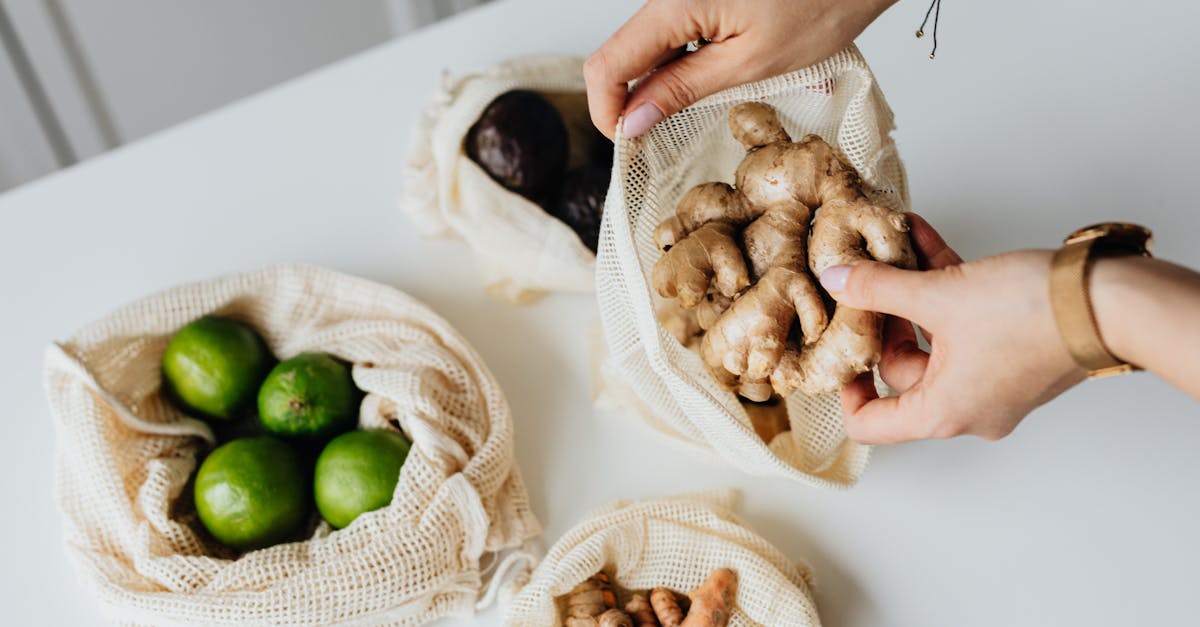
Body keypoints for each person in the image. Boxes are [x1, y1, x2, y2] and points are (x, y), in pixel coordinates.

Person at [584, 0, 1200, 444]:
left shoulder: (777, 214)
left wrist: (1076, 315)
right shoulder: (754, 220)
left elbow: (802, 281)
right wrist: (1073, 310)